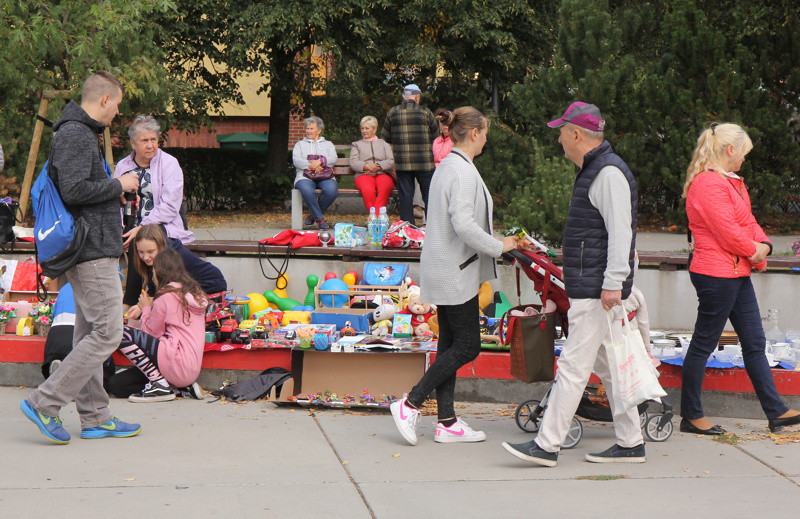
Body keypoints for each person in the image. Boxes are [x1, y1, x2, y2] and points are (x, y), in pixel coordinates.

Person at [502, 102, 644, 466]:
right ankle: (631, 442)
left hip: (598, 291)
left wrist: (613, 283)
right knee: (611, 368)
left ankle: (547, 445)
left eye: (562, 132)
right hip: (597, 288)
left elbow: (620, 234)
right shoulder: (597, 170)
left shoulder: (606, 173)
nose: (559, 140)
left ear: (577, 134)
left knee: (573, 368)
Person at [20, 71, 142, 444]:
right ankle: (45, 402)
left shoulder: (79, 131)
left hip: (92, 246)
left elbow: (81, 188)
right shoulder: (74, 133)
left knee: (90, 333)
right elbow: (73, 191)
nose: (117, 112)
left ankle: (95, 417)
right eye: (117, 104)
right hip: (89, 251)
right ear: (104, 99)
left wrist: (111, 195)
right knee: (108, 331)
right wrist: (118, 184)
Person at [390, 107, 518, 445]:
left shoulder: (448, 166)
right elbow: (462, 223)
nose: (487, 138)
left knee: (448, 344)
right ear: (474, 133)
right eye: (486, 132)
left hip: (445, 267)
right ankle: (410, 403)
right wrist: (498, 246)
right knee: (467, 345)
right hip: (455, 271)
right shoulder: (461, 171)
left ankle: (446, 421)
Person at [680, 123, 800, 435]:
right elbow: (728, 232)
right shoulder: (708, 184)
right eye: (743, 152)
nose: (745, 158)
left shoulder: (731, 182)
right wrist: (755, 251)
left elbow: (747, 221)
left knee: (755, 343)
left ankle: (777, 413)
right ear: (730, 150)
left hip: (734, 272)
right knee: (704, 343)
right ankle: (691, 416)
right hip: (715, 275)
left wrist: (765, 245)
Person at [113, 248, 208, 402]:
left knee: (119, 331)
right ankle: (178, 388)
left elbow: (151, 334)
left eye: (153, 271)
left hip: (174, 361)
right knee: (117, 385)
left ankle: (159, 384)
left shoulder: (166, 296)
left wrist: (146, 309)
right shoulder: (195, 293)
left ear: (159, 272)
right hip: (190, 368)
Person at [114, 115, 193, 249]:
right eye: (145, 140)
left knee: (141, 239)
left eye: (153, 140)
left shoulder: (169, 164)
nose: (150, 145)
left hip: (162, 228)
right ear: (133, 143)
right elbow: (117, 203)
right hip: (128, 228)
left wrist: (141, 227)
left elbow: (170, 207)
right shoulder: (122, 166)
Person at [123, 224, 226, 319]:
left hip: (210, 286)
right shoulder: (155, 259)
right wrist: (141, 305)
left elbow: (168, 293)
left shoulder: (172, 258)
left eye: (151, 251)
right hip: (187, 287)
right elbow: (155, 289)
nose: (146, 257)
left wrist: (144, 307)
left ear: (160, 246)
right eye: (141, 252)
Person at [381, 84, 439, 225]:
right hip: (424, 162)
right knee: (429, 195)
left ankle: (408, 228)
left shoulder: (393, 112)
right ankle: (433, 227)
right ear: (417, 97)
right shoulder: (426, 112)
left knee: (406, 196)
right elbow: (436, 134)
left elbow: (385, 137)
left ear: (403, 97)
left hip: (402, 162)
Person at [292, 116, 338, 230]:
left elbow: (333, 159)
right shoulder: (299, 144)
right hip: (305, 176)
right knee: (307, 191)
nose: (308, 131)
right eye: (307, 128)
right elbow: (296, 160)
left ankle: (313, 215)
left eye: (311, 128)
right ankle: (320, 220)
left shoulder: (328, 144)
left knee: (331, 191)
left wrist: (320, 162)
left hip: (325, 175)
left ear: (319, 130)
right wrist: (311, 166)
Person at [350, 116, 395, 214]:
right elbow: (353, 162)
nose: (364, 131)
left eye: (367, 128)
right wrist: (367, 166)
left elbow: (391, 161)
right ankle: (375, 216)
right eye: (362, 128)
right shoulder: (356, 145)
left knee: (385, 186)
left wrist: (378, 166)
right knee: (368, 189)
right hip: (363, 174)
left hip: (382, 173)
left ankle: (376, 217)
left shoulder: (384, 144)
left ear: (374, 129)